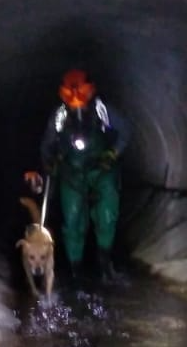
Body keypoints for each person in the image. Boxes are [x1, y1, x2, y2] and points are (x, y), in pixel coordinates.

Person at [25, 69, 131, 282]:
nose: (77, 104)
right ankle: (76, 270)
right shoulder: (60, 116)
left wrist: (112, 154)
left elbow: (125, 132)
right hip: (71, 172)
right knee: (73, 221)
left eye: (81, 96)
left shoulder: (103, 111)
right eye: (71, 98)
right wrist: (49, 163)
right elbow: (47, 144)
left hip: (102, 169)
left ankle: (105, 263)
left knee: (107, 215)